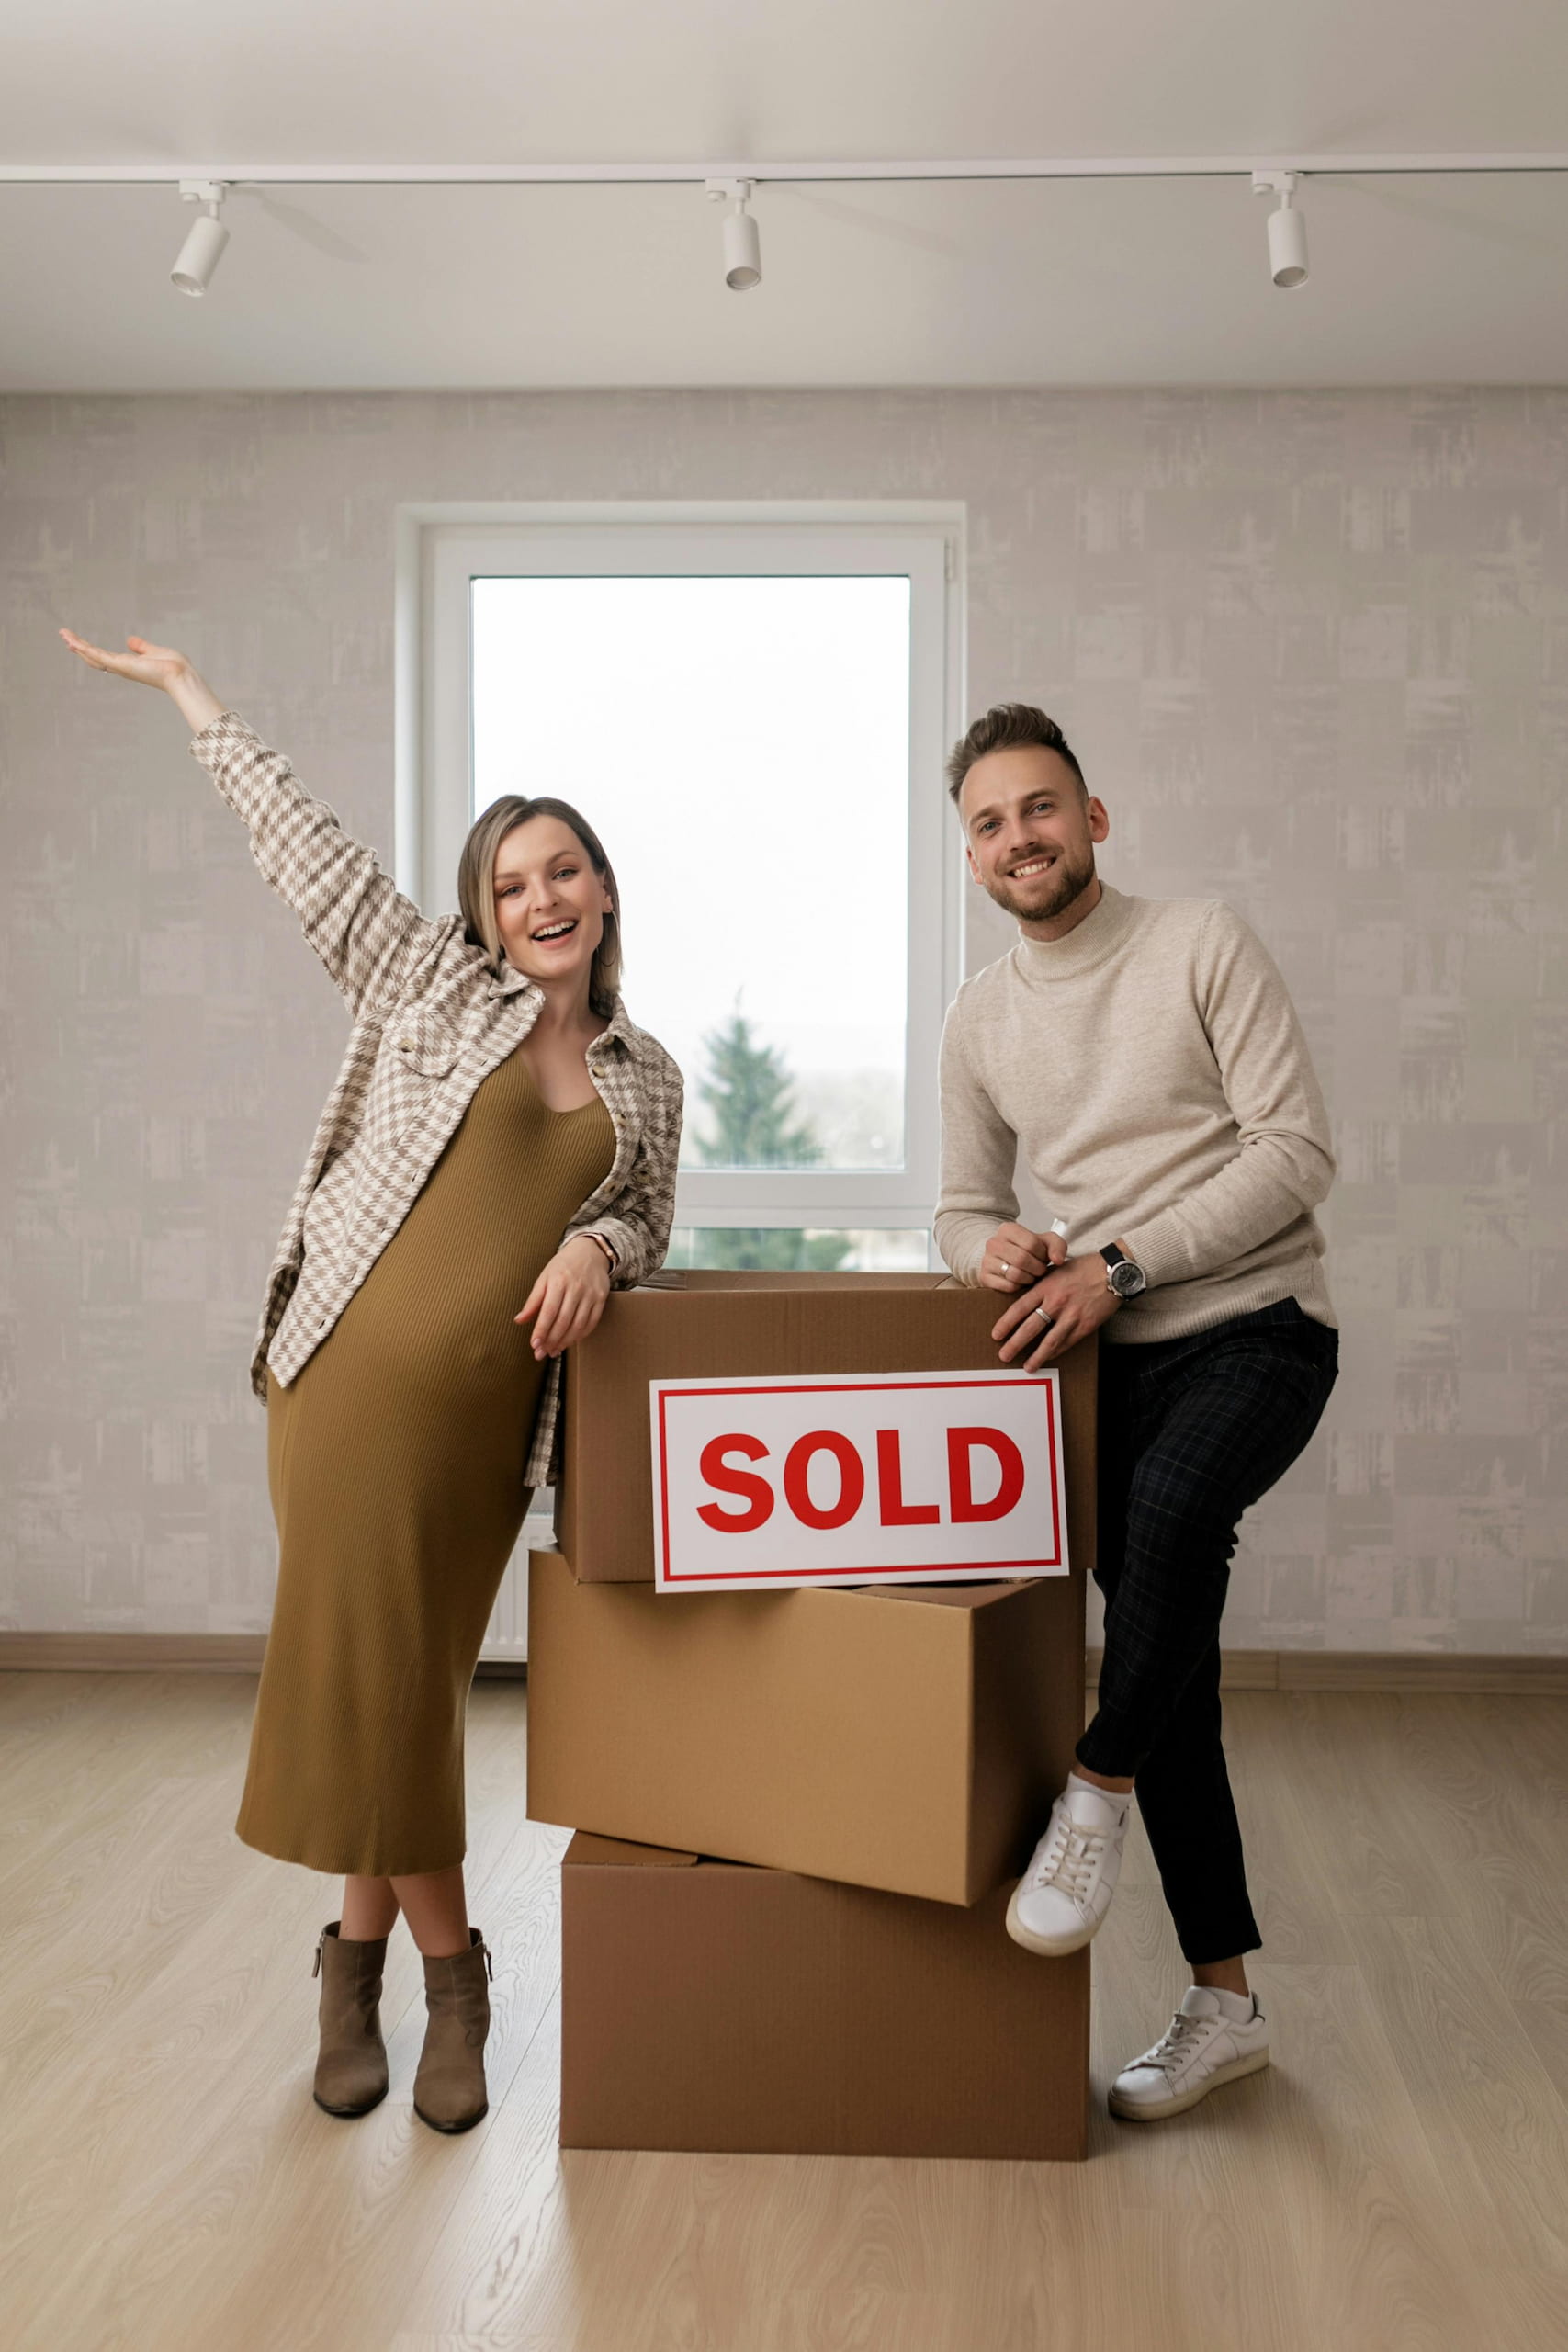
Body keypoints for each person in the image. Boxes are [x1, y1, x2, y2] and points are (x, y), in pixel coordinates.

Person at [59, 628, 682, 2133]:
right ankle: (455, 1978)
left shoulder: (648, 1072)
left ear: (603, 891)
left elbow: (650, 1222)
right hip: (338, 1389)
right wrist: (193, 692)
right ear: (482, 914)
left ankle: (350, 1960)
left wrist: (602, 1242)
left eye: (562, 872)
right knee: (392, 1685)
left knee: (391, 1684)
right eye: (509, 882)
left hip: (480, 1438)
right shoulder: (431, 991)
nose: (539, 899)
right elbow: (307, 850)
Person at [936, 702, 1337, 2124]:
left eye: (1040, 809)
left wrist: (1118, 1264)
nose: (1018, 839)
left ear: (1093, 818)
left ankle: (1090, 1795)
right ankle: (1225, 2006)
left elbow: (1297, 1154)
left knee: (1172, 1522)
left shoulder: (1201, 944)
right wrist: (982, 1248)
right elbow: (962, 1202)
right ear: (970, 854)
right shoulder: (979, 1019)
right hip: (1104, 1364)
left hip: (1257, 1330)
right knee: (1180, 1671)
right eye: (988, 823)